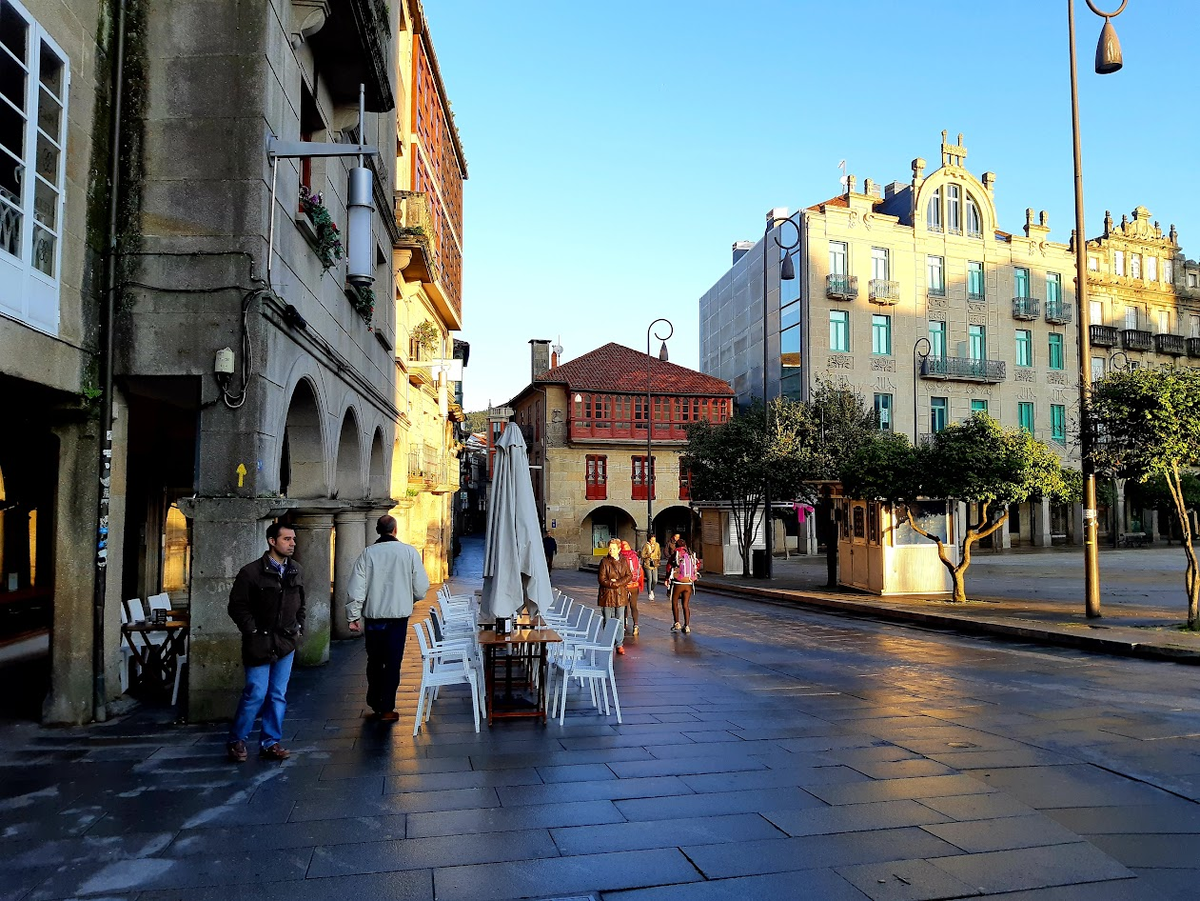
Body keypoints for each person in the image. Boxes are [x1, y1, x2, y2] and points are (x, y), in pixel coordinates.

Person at [226, 521, 305, 762]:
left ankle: (270, 742)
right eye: (286, 539)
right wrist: (251, 630)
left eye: (293, 539)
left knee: (277, 694)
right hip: (259, 640)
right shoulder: (250, 572)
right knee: (256, 692)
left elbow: (301, 602)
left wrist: (298, 627)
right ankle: (237, 740)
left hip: (286, 640)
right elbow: (237, 606)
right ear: (272, 541)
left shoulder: (295, 570)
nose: (292, 544)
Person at [346, 514, 431, 722]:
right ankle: (387, 707)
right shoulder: (409, 553)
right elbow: (421, 589)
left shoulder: (367, 554)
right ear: (395, 530)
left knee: (374, 660)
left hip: (374, 618)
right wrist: (406, 598)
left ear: (378, 530)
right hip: (397, 619)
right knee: (393, 662)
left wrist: (353, 616)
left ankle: (375, 700)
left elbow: (356, 589)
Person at [597, 537, 632, 655]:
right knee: (607, 620)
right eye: (610, 548)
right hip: (607, 595)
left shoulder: (623, 561)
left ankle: (619, 644)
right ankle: (608, 642)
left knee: (620, 619)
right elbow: (601, 579)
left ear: (618, 549)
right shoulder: (604, 561)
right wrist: (612, 584)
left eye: (613, 548)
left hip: (620, 594)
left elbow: (628, 576)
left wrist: (617, 582)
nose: (611, 551)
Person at [670, 538, 699, 634]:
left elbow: (669, 566)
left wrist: (667, 579)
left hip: (679, 582)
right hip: (689, 583)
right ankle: (686, 625)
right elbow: (696, 565)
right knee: (685, 605)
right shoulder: (690, 555)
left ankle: (676, 623)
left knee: (674, 602)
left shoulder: (676, 554)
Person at [620, 539, 643, 636]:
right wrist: (640, 584)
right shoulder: (635, 556)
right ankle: (636, 625)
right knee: (634, 606)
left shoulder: (621, 557)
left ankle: (624, 624)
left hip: (625, 585)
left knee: (624, 605)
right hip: (634, 585)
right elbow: (640, 572)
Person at [640, 534, 661, 601]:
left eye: (654, 540)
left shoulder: (657, 545)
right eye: (652, 540)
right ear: (649, 539)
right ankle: (649, 593)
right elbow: (642, 555)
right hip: (647, 564)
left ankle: (652, 589)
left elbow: (659, 553)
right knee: (650, 579)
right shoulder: (646, 545)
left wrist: (658, 559)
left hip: (654, 564)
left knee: (655, 580)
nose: (653, 541)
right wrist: (649, 555)